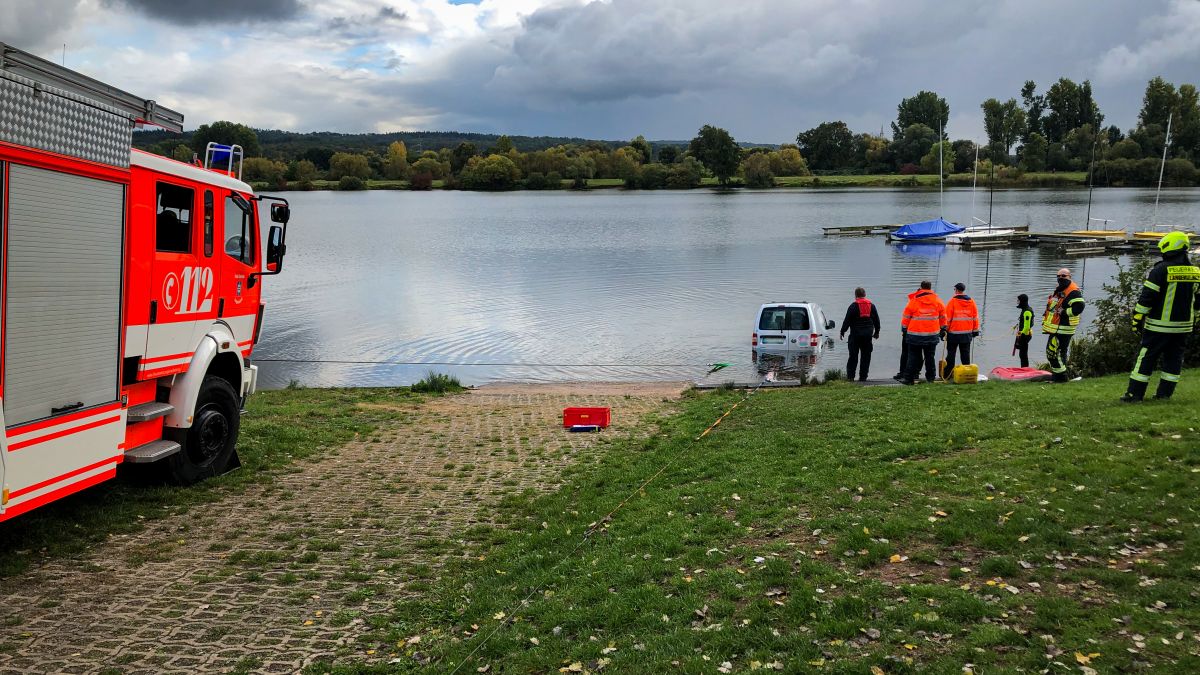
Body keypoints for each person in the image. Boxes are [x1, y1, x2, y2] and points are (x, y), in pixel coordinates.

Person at [1121, 232, 1200, 402]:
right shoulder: (1196, 272)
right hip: (1184, 327)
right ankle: (1164, 395)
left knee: (1146, 358)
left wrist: (1137, 319)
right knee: (1174, 360)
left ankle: (1134, 394)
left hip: (1159, 326)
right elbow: (1198, 301)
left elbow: (1147, 298)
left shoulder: (1160, 270)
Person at [1042, 267, 1086, 382]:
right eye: (1059, 276)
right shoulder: (1061, 289)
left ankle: (1061, 378)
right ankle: (1058, 378)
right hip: (1057, 328)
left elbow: (1079, 307)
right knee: (1057, 353)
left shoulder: (1073, 291)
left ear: (1069, 277)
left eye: (1063, 276)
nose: (1061, 278)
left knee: (1053, 353)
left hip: (1064, 328)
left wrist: (1064, 312)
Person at [898, 280, 946, 385]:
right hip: (932, 334)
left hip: (915, 334)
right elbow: (943, 316)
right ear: (930, 287)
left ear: (921, 287)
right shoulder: (938, 301)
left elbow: (906, 317)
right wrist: (943, 329)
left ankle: (909, 379)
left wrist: (904, 330)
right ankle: (930, 378)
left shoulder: (914, 301)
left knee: (913, 357)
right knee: (930, 357)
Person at [840, 287, 881, 382]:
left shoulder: (853, 306)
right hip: (867, 336)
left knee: (853, 357)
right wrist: (877, 332)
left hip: (855, 335)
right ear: (865, 295)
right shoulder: (872, 305)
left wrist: (842, 331)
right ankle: (863, 377)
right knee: (866, 357)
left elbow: (847, 320)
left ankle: (850, 377)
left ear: (855, 295)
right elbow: (877, 320)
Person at [944, 282, 980, 375]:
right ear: (963, 290)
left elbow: (947, 318)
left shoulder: (952, 301)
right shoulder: (971, 301)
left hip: (953, 333)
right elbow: (975, 317)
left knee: (951, 354)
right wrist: (975, 331)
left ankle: (948, 374)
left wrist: (944, 330)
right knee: (965, 355)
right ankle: (967, 373)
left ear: (956, 290)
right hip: (967, 334)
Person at [893, 285, 922, 381]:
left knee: (906, 353)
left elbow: (905, 318)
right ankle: (915, 373)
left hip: (910, 332)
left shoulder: (912, 302)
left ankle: (904, 372)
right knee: (918, 354)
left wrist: (904, 330)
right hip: (923, 332)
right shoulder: (931, 302)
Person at [1013, 293, 1034, 368]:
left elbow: (1027, 326)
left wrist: (1021, 334)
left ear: (1022, 301)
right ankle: (1024, 368)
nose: (1017, 302)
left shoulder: (1027, 311)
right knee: (1022, 354)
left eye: (1018, 300)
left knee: (1023, 354)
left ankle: (1025, 369)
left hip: (1025, 335)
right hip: (1024, 334)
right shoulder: (1025, 309)